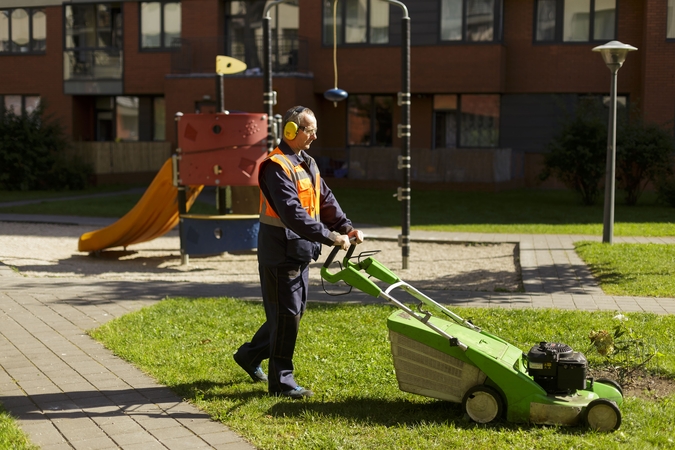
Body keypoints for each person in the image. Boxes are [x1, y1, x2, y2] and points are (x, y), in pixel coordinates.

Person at [233, 106, 364, 399]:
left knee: (290, 314)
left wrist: (346, 227)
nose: (315, 136)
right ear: (290, 131)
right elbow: (292, 214)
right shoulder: (275, 167)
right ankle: (282, 381)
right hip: (279, 253)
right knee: (287, 315)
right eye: (310, 130)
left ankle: (249, 356)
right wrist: (330, 236)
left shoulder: (307, 162)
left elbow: (325, 199)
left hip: (300, 250)